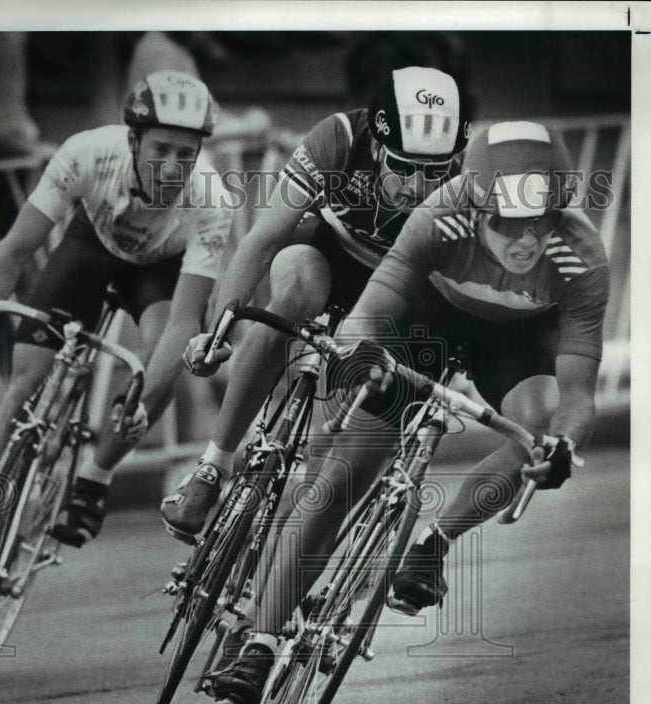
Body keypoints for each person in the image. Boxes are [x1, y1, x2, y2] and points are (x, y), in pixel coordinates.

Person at [208, 120, 609, 704]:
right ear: (473, 202)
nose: (526, 240)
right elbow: (367, 316)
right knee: (348, 470)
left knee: (539, 423)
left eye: (542, 218)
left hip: (515, 340)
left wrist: (561, 444)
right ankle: (261, 641)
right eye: (507, 220)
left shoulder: (580, 257)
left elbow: (579, 393)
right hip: (426, 319)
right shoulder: (439, 217)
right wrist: (364, 359)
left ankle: (433, 543)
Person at [0, 71, 236, 638]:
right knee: (16, 394)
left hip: (159, 275)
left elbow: (184, 320)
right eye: (161, 149)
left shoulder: (212, 200)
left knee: (155, 362)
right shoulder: (85, 153)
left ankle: (95, 475)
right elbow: (14, 251)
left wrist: (145, 393)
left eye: (187, 152)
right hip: (90, 249)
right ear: (133, 141)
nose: (174, 166)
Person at [161, 65, 472, 544]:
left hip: (401, 283)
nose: (415, 187)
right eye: (402, 168)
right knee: (294, 293)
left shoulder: (468, 174)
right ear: (376, 147)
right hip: (331, 253)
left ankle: (301, 543)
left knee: (344, 432)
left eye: (433, 173)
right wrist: (219, 330)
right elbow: (262, 241)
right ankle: (212, 468)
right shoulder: (338, 139)